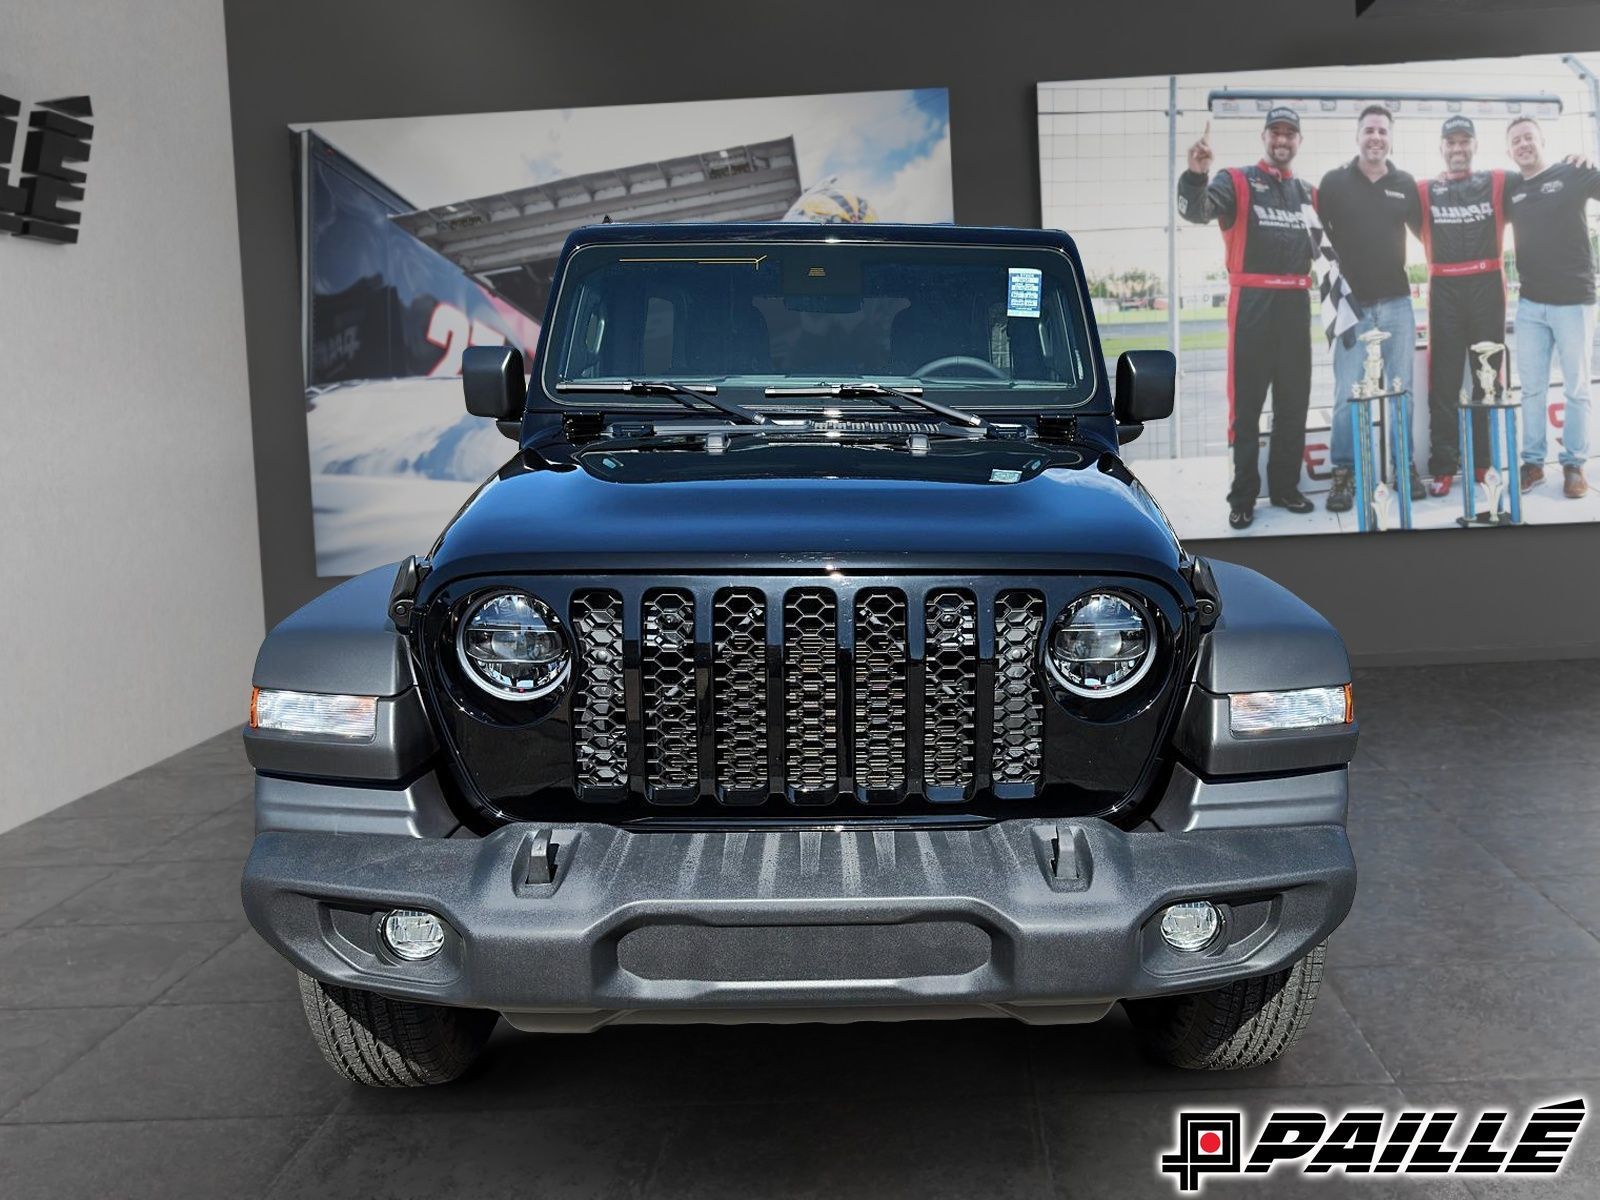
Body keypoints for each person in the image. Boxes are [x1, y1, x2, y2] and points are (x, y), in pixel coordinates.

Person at [1179, 108, 1317, 530]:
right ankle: (1243, 496)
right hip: (1252, 302)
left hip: (1296, 303)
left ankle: (1285, 488)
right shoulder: (1236, 179)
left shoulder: (1310, 193)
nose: (1282, 140)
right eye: (1275, 132)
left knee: (1294, 405)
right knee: (1246, 407)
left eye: (1290, 133)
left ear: (1298, 141)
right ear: (1264, 137)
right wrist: (1196, 175)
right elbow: (1196, 211)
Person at [1316, 104, 1425, 512]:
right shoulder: (1334, 182)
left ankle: (1404, 467)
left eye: (1382, 131)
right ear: (1358, 136)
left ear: (1390, 137)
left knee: (1402, 392)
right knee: (1347, 394)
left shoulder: (1405, 184)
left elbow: (1430, 235)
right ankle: (1343, 473)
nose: (1376, 137)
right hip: (1350, 306)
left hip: (1397, 301)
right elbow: (1315, 241)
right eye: (1369, 131)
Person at [1414, 116, 1509, 497]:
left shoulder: (1499, 180)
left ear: (1474, 145)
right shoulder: (1422, 190)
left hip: (1488, 288)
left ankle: (1484, 463)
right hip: (1445, 291)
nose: (1457, 148)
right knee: (1445, 383)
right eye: (1450, 142)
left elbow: (1538, 185)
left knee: (1488, 383)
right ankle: (1443, 466)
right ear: (1441, 147)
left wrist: (1572, 161)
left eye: (1464, 142)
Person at [1507, 115, 1600, 499]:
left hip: (1574, 301)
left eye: (1529, 137)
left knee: (1576, 388)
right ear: (1510, 150)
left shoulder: (1572, 172)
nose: (1523, 144)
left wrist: (1591, 159)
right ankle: (1532, 463)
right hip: (1530, 304)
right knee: (1531, 389)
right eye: (1516, 141)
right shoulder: (1510, 189)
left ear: (1543, 139)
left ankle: (1574, 464)